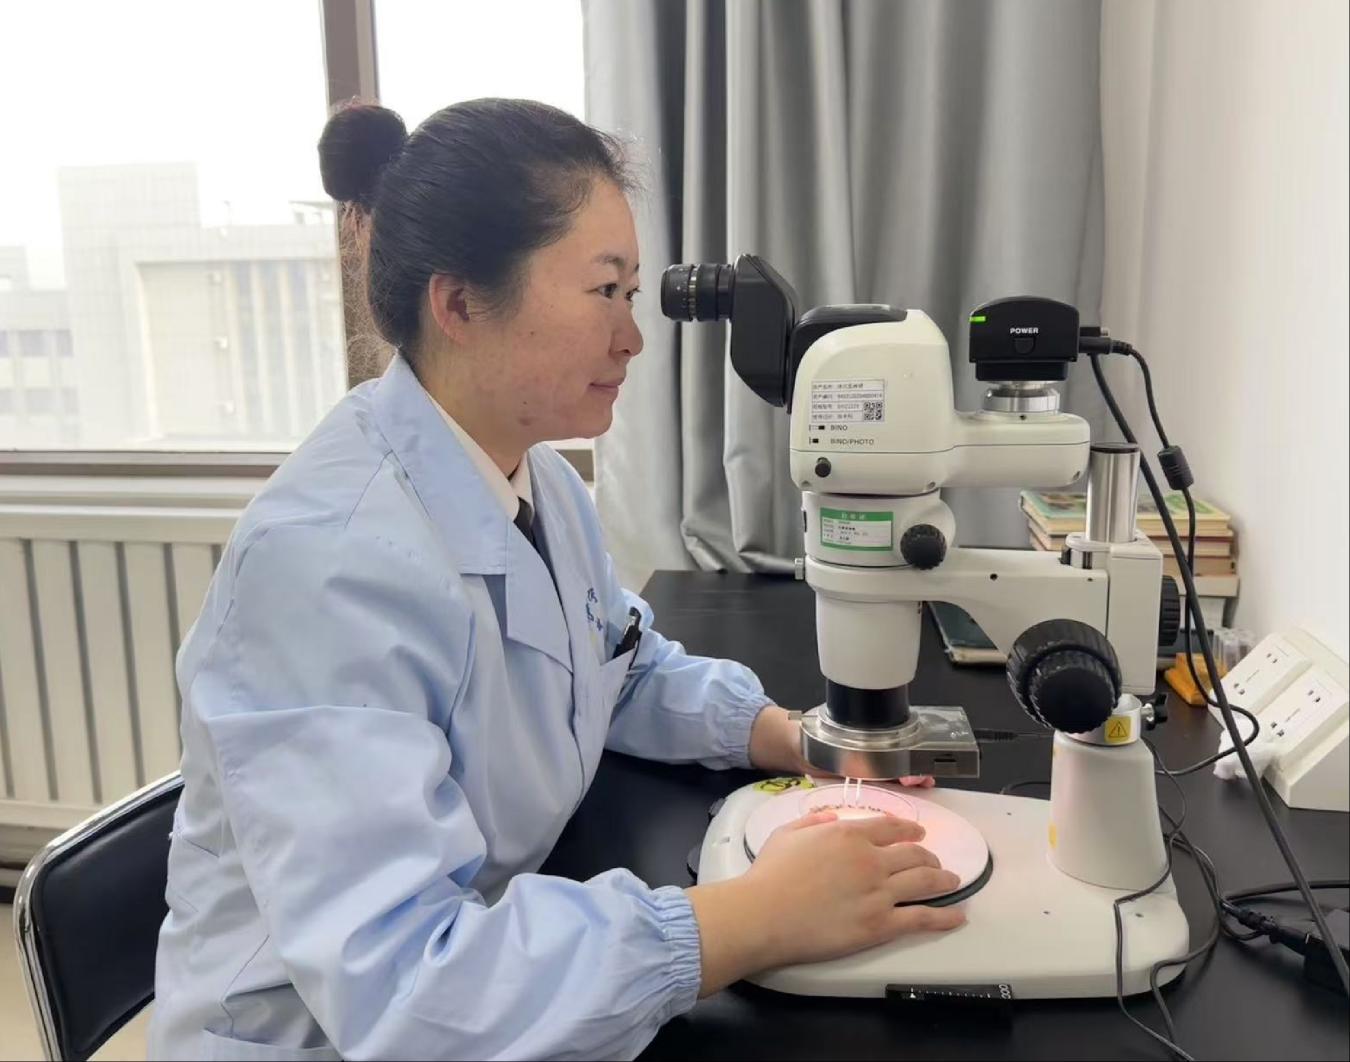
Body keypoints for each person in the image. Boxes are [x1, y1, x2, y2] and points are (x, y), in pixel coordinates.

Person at [148, 98, 965, 1062]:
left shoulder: (538, 484)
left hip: (493, 966)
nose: (633, 338)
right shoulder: (325, 567)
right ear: (460, 305)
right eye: (605, 291)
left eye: (633, 294)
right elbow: (405, 987)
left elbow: (616, 664)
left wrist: (793, 737)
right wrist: (748, 918)